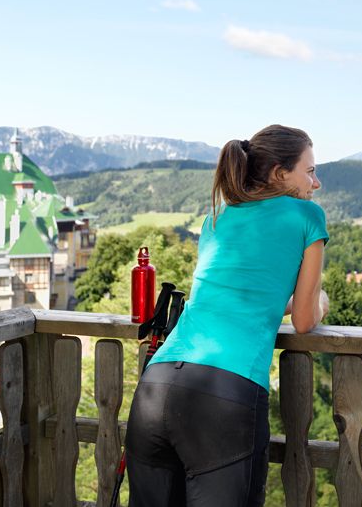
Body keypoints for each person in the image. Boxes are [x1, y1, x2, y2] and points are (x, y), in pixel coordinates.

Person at [125, 124, 330, 507]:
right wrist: (322, 302)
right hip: (225, 395)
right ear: (279, 174)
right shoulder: (307, 216)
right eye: (310, 170)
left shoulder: (216, 218)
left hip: (159, 385)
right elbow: (305, 320)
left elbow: (231, 297)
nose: (315, 183)